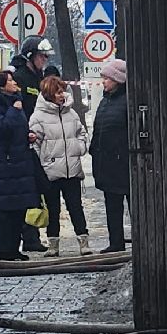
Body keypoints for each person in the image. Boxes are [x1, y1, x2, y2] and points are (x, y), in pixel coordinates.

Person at [0, 71, 41, 261]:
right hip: (3, 166)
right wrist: (15, 110)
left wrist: (27, 135)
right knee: (6, 211)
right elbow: (2, 127)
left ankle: (13, 249)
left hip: (17, 163)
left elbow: (16, 129)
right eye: (10, 80)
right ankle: (4, 251)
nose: (14, 83)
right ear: (2, 86)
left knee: (18, 209)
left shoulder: (13, 101)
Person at [28, 74, 91, 255]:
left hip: (72, 169)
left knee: (76, 207)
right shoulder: (38, 116)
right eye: (58, 92)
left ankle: (83, 241)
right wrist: (44, 162)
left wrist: (79, 148)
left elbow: (82, 134)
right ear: (48, 94)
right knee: (53, 209)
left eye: (63, 91)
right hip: (50, 171)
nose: (62, 94)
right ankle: (53, 245)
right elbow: (35, 143)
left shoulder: (71, 113)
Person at [8, 35, 57, 250]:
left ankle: (28, 235)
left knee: (37, 189)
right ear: (30, 56)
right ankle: (30, 238)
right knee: (31, 190)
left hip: (38, 141)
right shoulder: (20, 78)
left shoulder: (39, 77)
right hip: (25, 142)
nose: (44, 60)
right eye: (41, 56)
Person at [89, 58, 129, 252]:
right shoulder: (105, 101)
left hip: (124, 162)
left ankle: (140, 241)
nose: (103, 81)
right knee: (112, 206)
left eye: (107, 78)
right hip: (107, 163)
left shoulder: (127, 100)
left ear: (118, 79)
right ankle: (116, 242)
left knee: (132, 205)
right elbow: (99, 129)